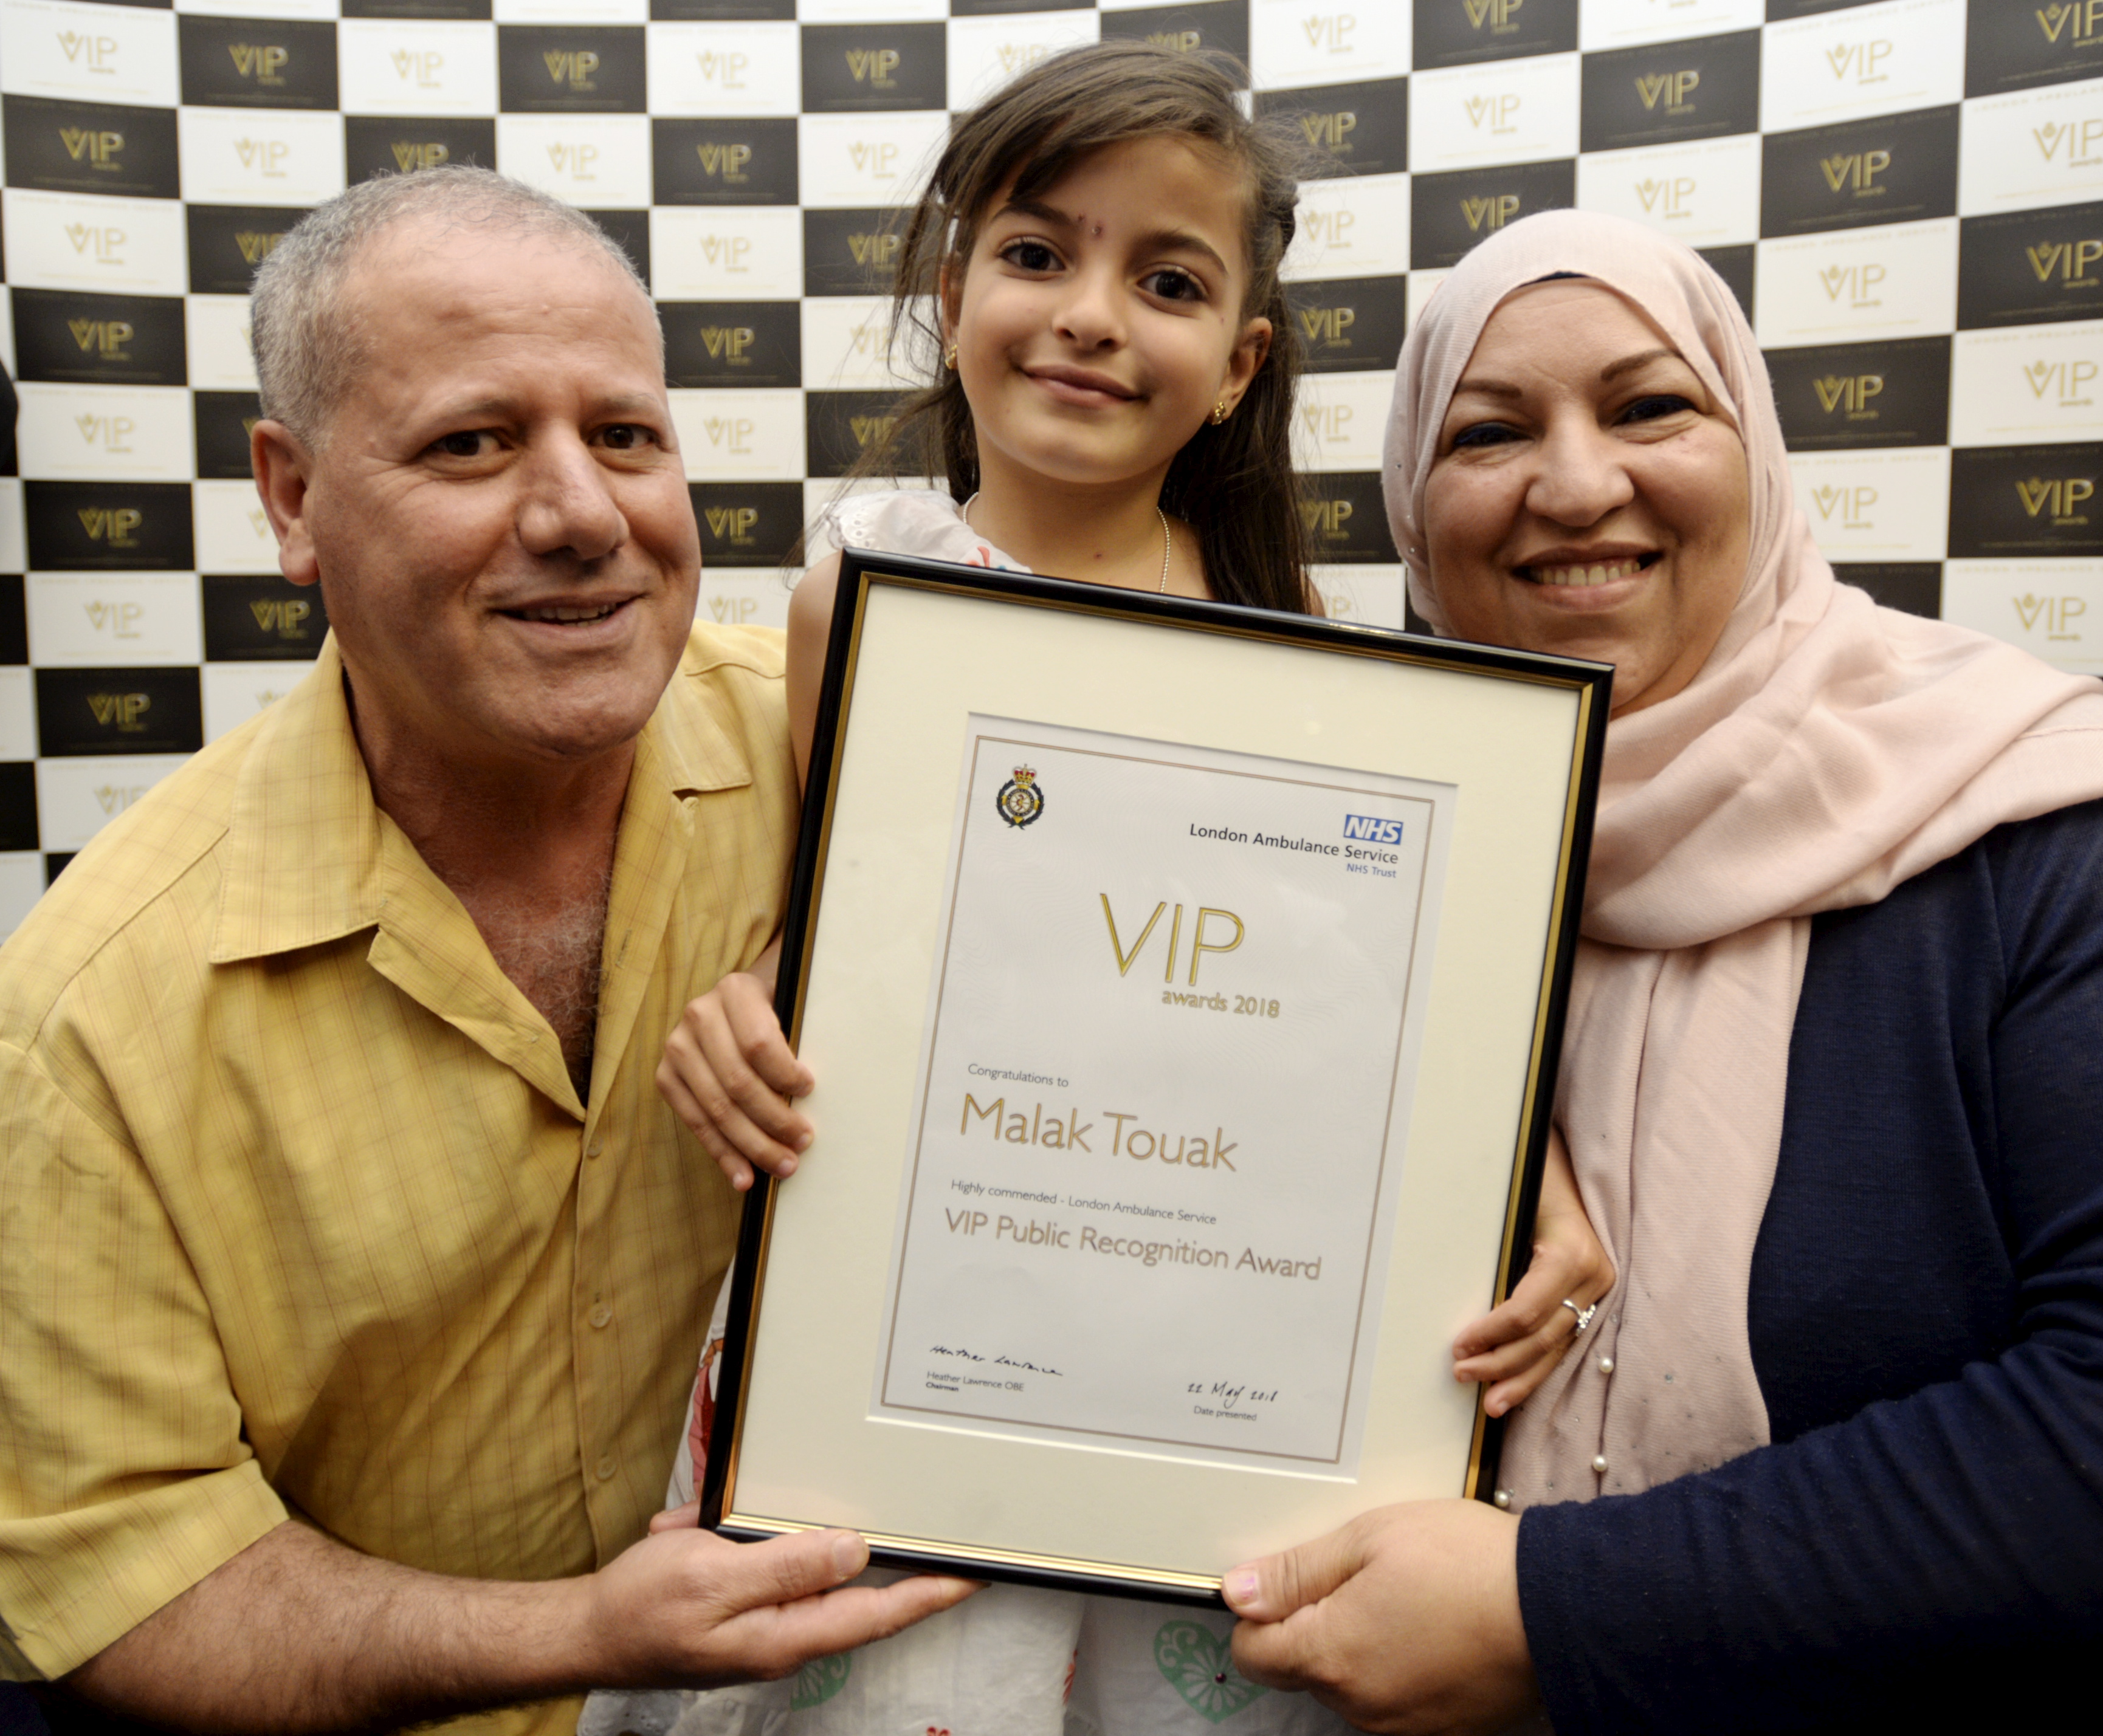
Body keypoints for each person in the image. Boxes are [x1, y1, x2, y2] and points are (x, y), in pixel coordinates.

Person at [584, 47, 1612, 1736]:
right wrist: (747, 1007)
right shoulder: (860, 585)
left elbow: (1420, 993)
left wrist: (1538, 1178)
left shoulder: (1301, 647)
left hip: (1202, 1349)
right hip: (932, 1310)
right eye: (1038, 252)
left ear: (1237, 366)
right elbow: (839, 912)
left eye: (1169, 278)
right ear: (952, 285)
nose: (1089, 314)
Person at [1220, 210, 2103, 1732]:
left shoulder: (2063, 839)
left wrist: (1544, 1605)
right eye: (1487, 431)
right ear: (1409, 509)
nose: (1575, 485)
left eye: (1648, 406)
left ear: (1757, 457)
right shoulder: (1371, 872)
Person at [0, 166, 975, 1736]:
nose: (582, 516)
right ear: (293, 495)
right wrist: (582, 1634)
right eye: (471, 442)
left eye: (625, 436)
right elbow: (139, 1582)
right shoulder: (87, 1016)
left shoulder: (857, 744)